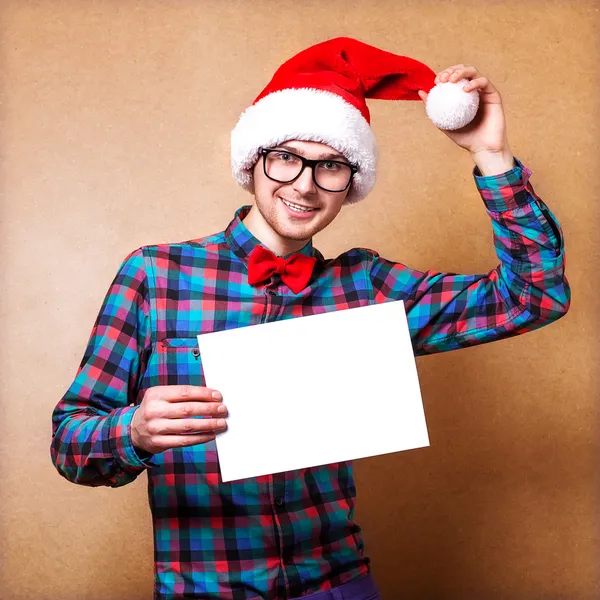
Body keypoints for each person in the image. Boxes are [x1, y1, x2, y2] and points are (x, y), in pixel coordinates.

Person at [51, 37, 570, 600]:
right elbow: (70, 442)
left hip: (339, 586)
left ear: (350, 185)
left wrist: (491, 156)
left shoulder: (365, 286)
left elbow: (533, 297)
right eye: (287, 158)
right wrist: (132, 431)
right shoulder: (156, 274)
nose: (304, 183)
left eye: (330, 166)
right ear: (253, 162)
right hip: (206, 590)